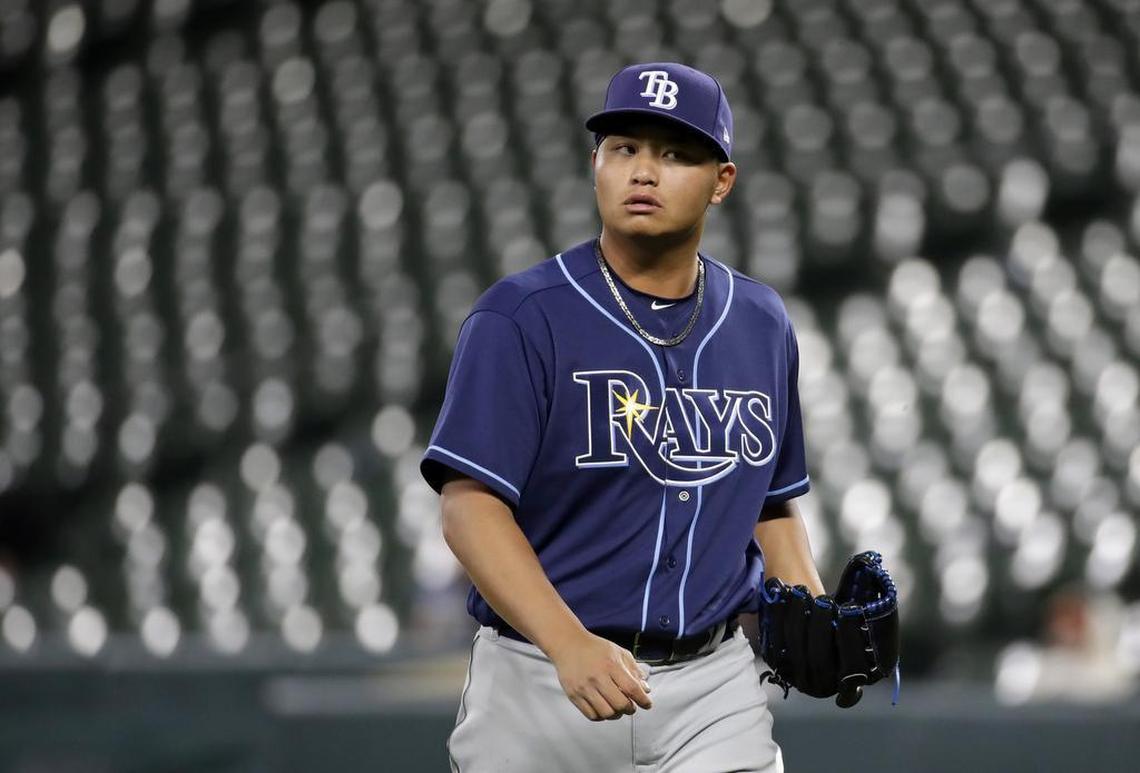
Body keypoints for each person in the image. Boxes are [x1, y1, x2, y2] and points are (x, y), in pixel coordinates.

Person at [421, 62, 824, 773]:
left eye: (674, 153)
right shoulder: (520, 317)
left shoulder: (761, 322)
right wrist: (565, 641)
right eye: (624, 148)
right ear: (595, 164)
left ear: (721, 181)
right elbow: (469, 508)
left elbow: (771, 504)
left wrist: (811, 610)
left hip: (713, 688)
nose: (644, 170)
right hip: (539, 678)